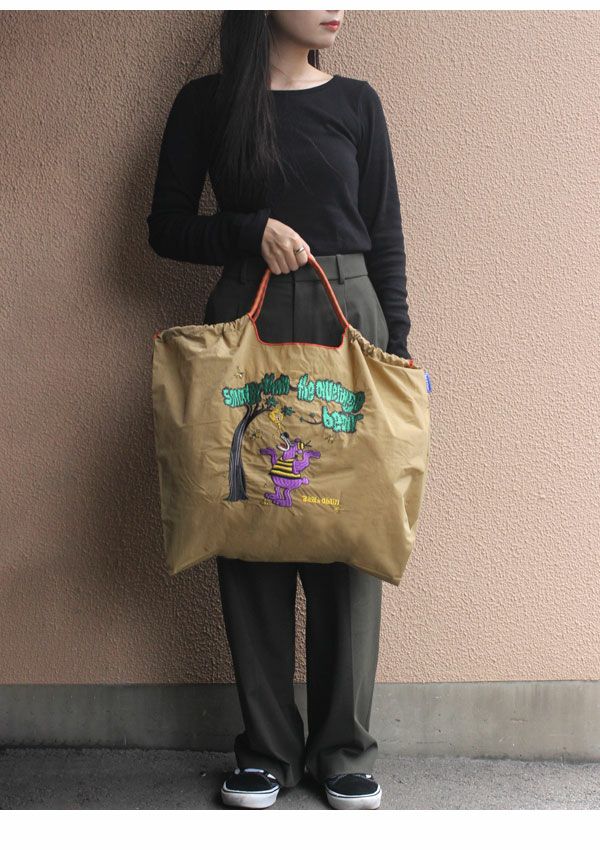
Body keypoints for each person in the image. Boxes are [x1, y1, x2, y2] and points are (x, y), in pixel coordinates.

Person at [146, 10, 412, 811]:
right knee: (249, 511)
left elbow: (386, 235)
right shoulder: (207, 103)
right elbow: (164, 227)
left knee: (350, 521)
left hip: (348, 312)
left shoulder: (358, 102)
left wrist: (396, 352)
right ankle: (265, 749)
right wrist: (248, 230)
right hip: (247, 310)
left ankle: (344, 750)